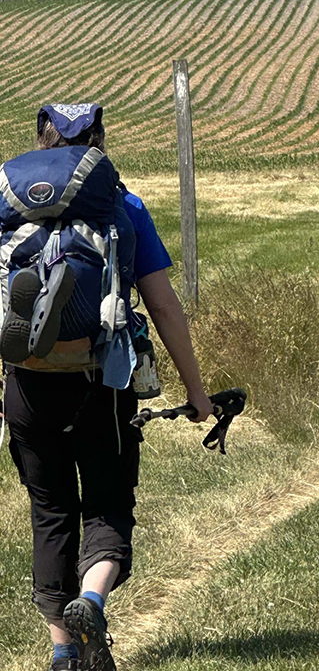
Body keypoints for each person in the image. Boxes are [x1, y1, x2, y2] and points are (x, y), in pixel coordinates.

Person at [1, 103, 213, 671]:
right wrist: (196, 393)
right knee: (108, 507)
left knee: (50, 513)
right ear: (98, 145)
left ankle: (64, 654)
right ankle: (91, 602)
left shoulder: (5, 211)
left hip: (27, 385)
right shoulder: (123, 205)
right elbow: (165, 308)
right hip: (104, 382)